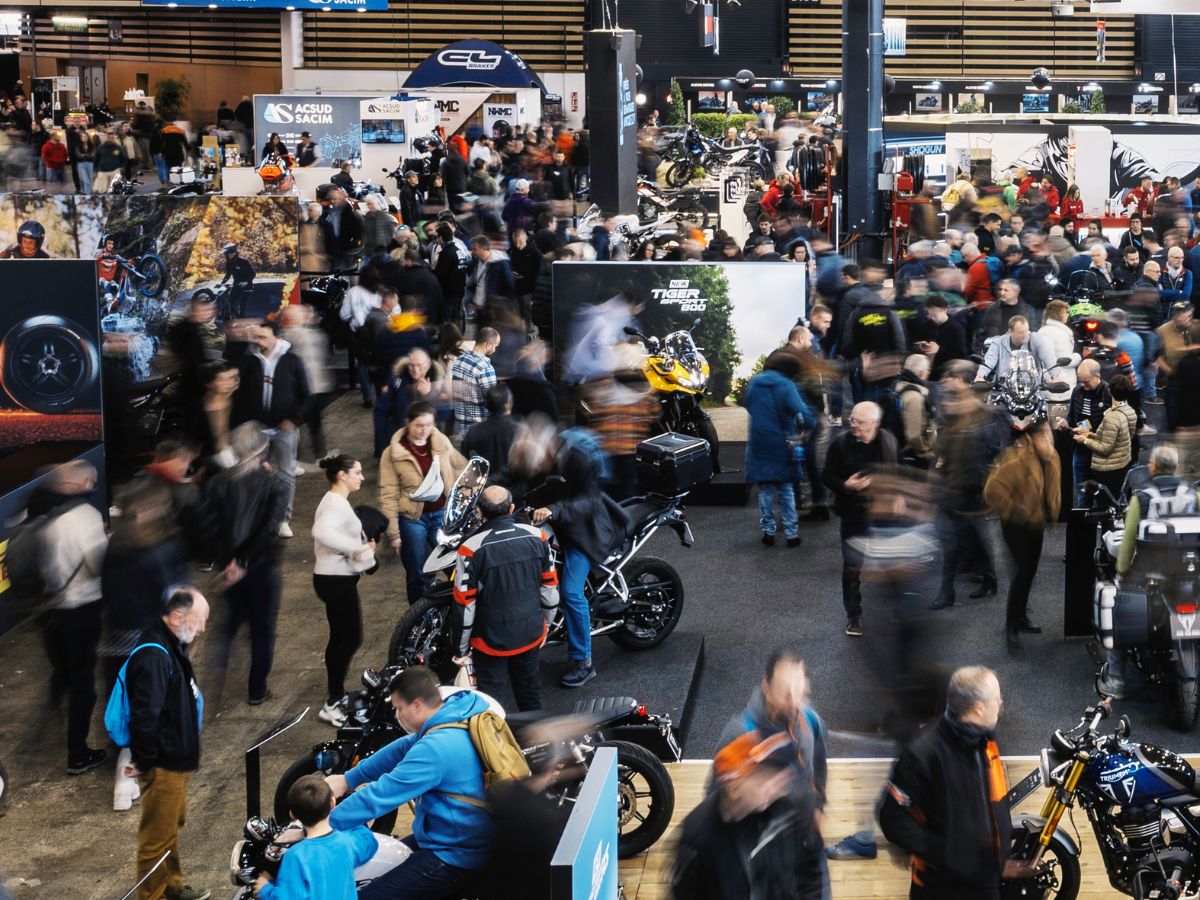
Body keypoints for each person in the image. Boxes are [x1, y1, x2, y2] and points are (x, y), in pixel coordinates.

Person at [325, 666, 494, 898]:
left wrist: (323, 823)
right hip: (454, 834)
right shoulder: (456, 714)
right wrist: (348, 779)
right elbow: (403, 747)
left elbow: (382, 794)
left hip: (455, 854)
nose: (396, 715)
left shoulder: (435, 749)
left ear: (416, 704)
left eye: (398, 708)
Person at [878, 666, 1022, 900]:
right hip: (941, 889)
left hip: (986, 883)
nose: (1001, 703)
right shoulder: (922, 754)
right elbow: (892, 818)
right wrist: (945, 853)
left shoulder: (986, 741)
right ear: (978, 708)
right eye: (997, 699)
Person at [710, 649, 830, 896]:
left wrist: (818, 806)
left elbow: (819, 764)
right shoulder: (740, 736)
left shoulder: (810, 719)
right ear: (766, 687)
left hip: (805, 846)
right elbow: (715, 804)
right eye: (786, 694)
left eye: (800, 691)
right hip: (760, 862)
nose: (795, 702)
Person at [124, 587, 210, 900]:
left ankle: (171, 887)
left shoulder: (170, 643)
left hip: (175, 758)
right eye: (199, 621)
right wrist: (147, 761)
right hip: (163, 764)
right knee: (155, 839)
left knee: (169, 828)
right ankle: (152, 895)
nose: (202, 628)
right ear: (176, 617)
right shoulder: (154, 655)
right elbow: (144, 719)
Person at [531, 430, 631, 688]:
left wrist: (553, 510)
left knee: (571, 592)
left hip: (583, 533)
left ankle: (583, 663)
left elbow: (589, 500)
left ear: (549, 447)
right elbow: (523, 483)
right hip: (559, 527)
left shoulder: (577, 460)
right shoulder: (541, 459)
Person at [28, 461, 108, 775]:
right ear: (86, 482)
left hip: (50, 610)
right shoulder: (86, 518)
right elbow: (96, 565)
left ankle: (47, 724)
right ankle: (78, 753)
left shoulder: (41, 516)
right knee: (83, 684)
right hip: (81, 610)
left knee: (62, 672)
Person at [1100, 444, 1198, 697]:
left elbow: (1129, 539)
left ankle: (1115, 680)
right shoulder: (1193, 495)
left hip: (1149, 575)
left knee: (1118, 609)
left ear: (1153, 467)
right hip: (1188, 572)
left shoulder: (1141, 497)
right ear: (1175, 467)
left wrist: (1121, 571)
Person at [452, 485, 559, 711]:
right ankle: (537, 743)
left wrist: (461, 650)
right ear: (511, 508)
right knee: (530, 695)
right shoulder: (538, 537)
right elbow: (550, 591)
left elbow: (465, 605)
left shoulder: (470, 549)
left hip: (489, 641)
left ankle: (499, 745)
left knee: (493, 705)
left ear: (479, 512)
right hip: (530, 632)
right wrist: (546, 624)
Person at [673, 731, 815, 899]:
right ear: (734, 788)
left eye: (781, 776)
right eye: (766, 778)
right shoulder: (696, 838)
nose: (779, 787)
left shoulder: (788, 811)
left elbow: (810, 871)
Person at [205, 423, 288, 704]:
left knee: (227, 625)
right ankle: (257, 688)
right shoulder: (275, 483)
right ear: (262, 450)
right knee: (263, 630)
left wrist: (227, 562)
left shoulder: (218, 483)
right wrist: (243, 561)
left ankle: (214, 676)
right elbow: (268, 529)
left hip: (228, 570)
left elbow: (212, 528)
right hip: (261, 568)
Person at [823, 402, 899, 637]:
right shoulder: (840, 444)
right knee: (852, 569)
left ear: (874, 424)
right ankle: (853, 615)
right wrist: (846, 485)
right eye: (852, 419)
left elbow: (898, 471)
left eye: (859, 421)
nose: (852, 424)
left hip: (882, 515)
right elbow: (826, 475)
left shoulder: (888, 441)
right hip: (853, 515)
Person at [931, 361, 1001, 609]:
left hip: (970, 492)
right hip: (950, 488)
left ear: (964, 381)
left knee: (970, 540)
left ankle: (978, 580)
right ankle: (950, 590)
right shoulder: (949, 409)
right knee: (955, 542)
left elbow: (994, 452)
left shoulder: (981, 414)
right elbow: (943, 450)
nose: (947, 380)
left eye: (951, 376)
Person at [380, 402, 466, 604]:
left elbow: (460, 467)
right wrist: (393, 534)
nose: (424, 430)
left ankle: (456, 608)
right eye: (419, 425)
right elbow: (388, 493)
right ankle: (417, 617)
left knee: (454, 564)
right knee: (416, 571)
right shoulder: (393, 453)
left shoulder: (441, 441)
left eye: (429, 425)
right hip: (412, 519)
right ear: (407, 423)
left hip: (442, 514)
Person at [984, 424, 1061, 650]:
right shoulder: (1014, 459)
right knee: (1020, 573)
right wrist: (1013, 509)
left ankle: (1021, 618)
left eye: (1049, 434)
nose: (1048, 439)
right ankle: (1011, 628)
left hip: (1036, 523)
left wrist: (1051, 512)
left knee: (1030, 572)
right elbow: (991, 490)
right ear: (1031, 437)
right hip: (1015, 526)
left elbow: (1053, 488)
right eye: (1043, 435)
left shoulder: (1052, 457)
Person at [311, 454, 375, 728]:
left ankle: (335, 696)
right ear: (342, 475)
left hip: (335, 578)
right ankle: (332, 701)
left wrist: (360, 549)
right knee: (348, 639)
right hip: (334, 580)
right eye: (357, 472)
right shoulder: (334, 504)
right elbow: (321, 531)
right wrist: (356, 549)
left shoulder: (336, 501)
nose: (361, 477)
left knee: (342, 638)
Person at [233, 321, 310, 537]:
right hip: (256, 429)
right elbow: (241, 396)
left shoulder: (292, 361)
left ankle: (282, 519)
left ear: (276, 337)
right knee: (250, 473)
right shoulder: (249, 361)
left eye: (263, 337)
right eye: (256, 337)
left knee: (286, 474)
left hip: (285, 429)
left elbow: (306, 395)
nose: (258, 342)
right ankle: (256, 516)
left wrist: (294, 420)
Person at [254, 775, 377, 900]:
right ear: (332, 803)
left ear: (292, 815)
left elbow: (286, 897)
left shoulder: (295, 856)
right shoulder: (348, 842)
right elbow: (369, 841)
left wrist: (265, 889)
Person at [744, 350, 817, 548]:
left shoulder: (754, 382)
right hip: (781, 441)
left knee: (765, 489)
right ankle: (791, 534)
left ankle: (768, 531)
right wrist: (809, 427)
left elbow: (748, 404)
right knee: (785, 488)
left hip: (759, 441)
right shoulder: (786, 384)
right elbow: (801, 411)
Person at [1075, 373, 1138, 502]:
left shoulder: (1112, 417)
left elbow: (1105, 448)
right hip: (1122, 465)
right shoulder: (1129, 411)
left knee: (1105, 506)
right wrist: (1093, 435)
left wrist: (1085, 440)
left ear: (1110, 391)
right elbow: (1124, 436)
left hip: (1108, 470)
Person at [461, 383, 520, 483]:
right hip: (513, 490)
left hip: (483, 488)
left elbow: (465, 461)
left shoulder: (473, 431)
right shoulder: (520, 430)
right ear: (509, 403)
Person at [976, 315, 1057, 383]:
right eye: (1021, 332)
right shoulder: (998, 343)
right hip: (1004, 389)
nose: (1026, 334)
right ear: (1010, 332)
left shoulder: (1036, 339)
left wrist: (1056, 376)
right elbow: (989, 360)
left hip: (1032, 389)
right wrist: (980, 376)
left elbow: (1047, 357)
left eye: (1027, 330)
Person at [450, 327, 500, 436]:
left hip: (460, 427)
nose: (495, 350)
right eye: (495, 346)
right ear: (488, 345)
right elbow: (491, 402)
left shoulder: (459, 360)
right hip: (479, 430)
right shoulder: (485, 368)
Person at [895, 354, 937, 469]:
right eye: (928, 369)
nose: (929, 372)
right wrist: (925, 452)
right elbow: (913, 435)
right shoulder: (915, 398)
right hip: (913, 455)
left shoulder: (899, 386)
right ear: (921, 373)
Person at [219, 243, 256, 319]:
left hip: (247, 287)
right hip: (236, 285)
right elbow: (228, 274)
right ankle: (227, 319)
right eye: (226, 255)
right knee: (229, 303)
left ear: (233, 254)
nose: (226, 257)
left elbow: (253, 274)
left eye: (228, 255)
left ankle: (241, 321)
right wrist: (222, 283)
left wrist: (246, 282)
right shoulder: (229, 263)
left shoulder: (244, 262)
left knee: (242, 306)